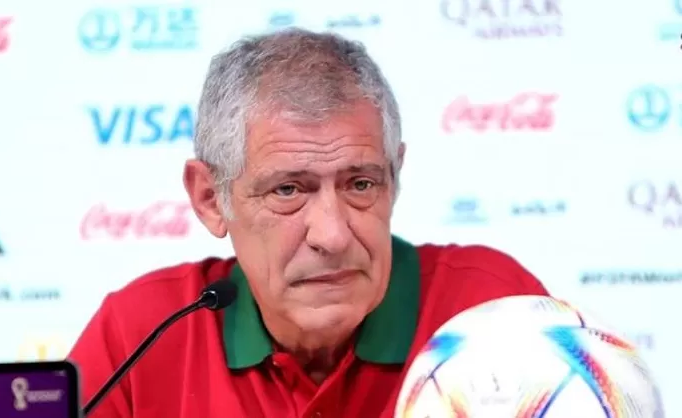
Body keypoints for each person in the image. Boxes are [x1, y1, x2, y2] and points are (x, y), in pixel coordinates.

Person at [68, 28, 549, 418]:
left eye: (360, 184)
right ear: (210, 199)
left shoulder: (491, 310)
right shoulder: (141, 333)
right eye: (288, 191)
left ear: (395, 178)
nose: (332, 236)